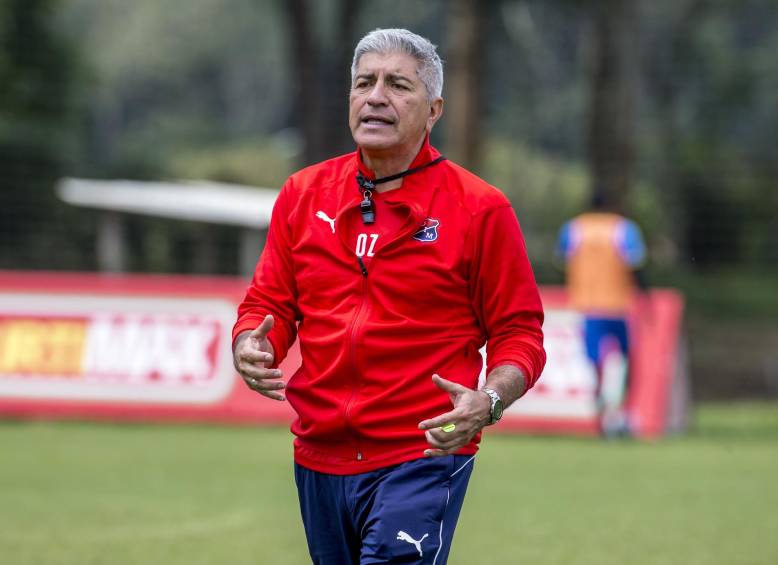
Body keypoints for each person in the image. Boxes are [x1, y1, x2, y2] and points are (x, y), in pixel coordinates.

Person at [233, 28, 546, 564]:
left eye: (398, 84)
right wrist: (252, 343)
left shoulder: (480, 209)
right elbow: (269, 304)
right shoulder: (302, 194)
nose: (375, 96)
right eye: (363, 83)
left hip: (423, 451)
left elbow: (520, 334)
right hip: (319, 454)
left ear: (434, 109)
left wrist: (488, 401)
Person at [557, 193, 647, 437]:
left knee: (594, 360)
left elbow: (564, 260)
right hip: (619, 306)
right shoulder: (624, 228)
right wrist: (644, 294)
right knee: (626, 359)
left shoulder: (573, 229)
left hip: (586, 306)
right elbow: (636, 265)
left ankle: (600, 405)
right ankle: (620, 412)